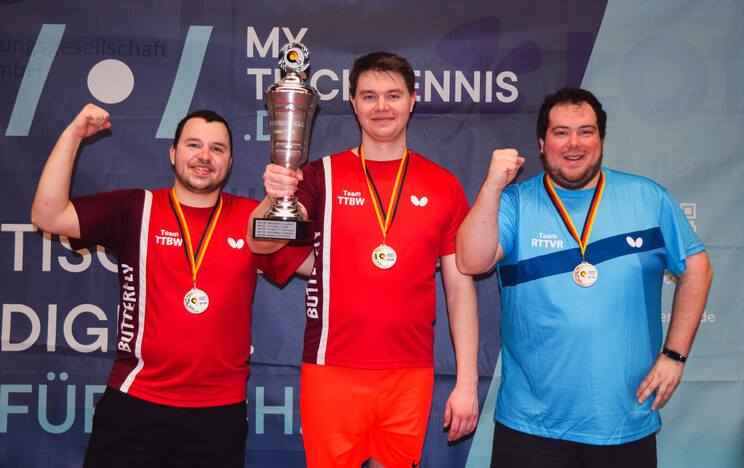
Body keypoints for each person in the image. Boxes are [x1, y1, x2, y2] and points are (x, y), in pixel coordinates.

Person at [456, 87, 713, 467]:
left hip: (624, 421)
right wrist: (493, 185)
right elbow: (471, 262)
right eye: (561, 132)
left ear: (601, 141)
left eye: (586, 132)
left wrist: (674, 356)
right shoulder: (515, 202)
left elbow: (697, 268)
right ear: (542, 143)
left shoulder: (648, 197)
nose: (574, 143)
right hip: (530, 426)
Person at [31, 104, 294, 467]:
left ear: (230, 162)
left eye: (217, 148)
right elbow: (47, 215)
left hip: (218, 413)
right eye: (193, 145)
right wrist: (74, 134)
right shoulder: (134, 208)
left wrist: (291, 200)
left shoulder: (254, 218)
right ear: (173, 154)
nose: (204, 156)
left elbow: (319, 263)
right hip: (134, 403)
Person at [251, 52, 480, 467]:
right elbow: (260, 244)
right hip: (331, 368)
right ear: (353, 102)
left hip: (409, 371)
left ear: (413, 100)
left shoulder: (443, 185)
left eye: (393, 95)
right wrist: (275, 196)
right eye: (369, 96)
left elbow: (460, 288)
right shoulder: (319, 176)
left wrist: (466, 382)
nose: (381, 106)